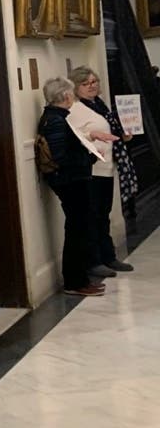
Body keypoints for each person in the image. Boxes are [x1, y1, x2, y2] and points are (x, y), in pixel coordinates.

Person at [37, 78, 107, 298]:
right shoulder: (56, 120)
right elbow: (61, 156)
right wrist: (89, 158)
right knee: (77, 230)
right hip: (70, 181)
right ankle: (75, 281)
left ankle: (81, 279)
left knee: (80, 229)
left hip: (73, 179)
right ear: (66, 96)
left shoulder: (57, 118)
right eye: (71, 95)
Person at [69, 66, 135, 275]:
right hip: (91, 170)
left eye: (94, 81)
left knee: (103, 214)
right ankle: (94, 260)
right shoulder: (75, 109)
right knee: (93, 215)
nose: (92, 86)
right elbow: (74, 136)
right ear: (75, 87)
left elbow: (111, 130)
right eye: (85, 83)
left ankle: (109, 257)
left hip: (106, 166)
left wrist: (123, 136)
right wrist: (93, 136)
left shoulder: (99, 104)